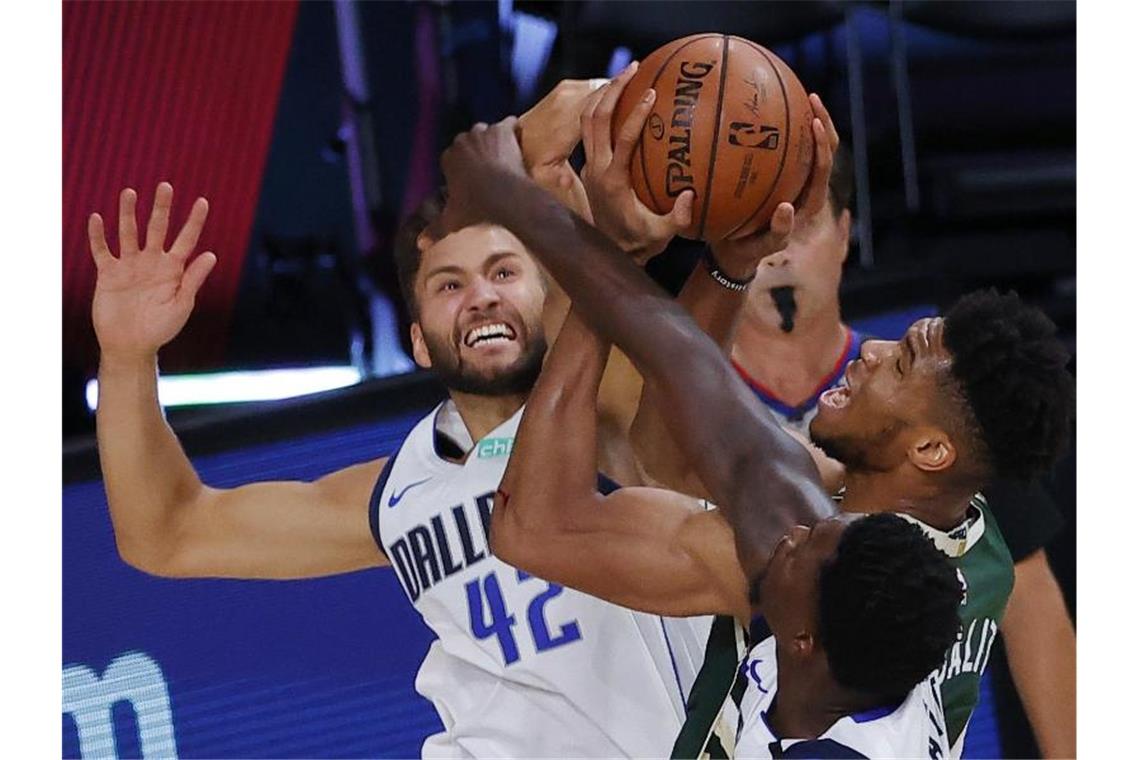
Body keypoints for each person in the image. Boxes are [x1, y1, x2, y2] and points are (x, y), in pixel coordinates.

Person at [85, 71, 720, 757]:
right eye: (450, 285)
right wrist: (125, 357)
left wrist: (538, 142)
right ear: (417, 342)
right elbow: (167, 534)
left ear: (550, 299)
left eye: (504, 273)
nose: (480, 296)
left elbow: (587, 272)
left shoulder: (608, 412)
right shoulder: (398, 492)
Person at [433, 112, 1074, 758]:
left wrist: (514, 194)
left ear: (932, 451)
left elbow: (533, 525)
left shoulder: (810, 564)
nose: (875, 349)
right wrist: (728, 268)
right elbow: (668, 449)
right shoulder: (981, 545)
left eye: (902, 363)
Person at [679, 139, 1076, 756]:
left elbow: (1044, 634)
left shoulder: (953, 408)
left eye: (799, 222)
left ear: (845, 233)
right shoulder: (684, 410)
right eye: (752, 219)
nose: (776, 249)